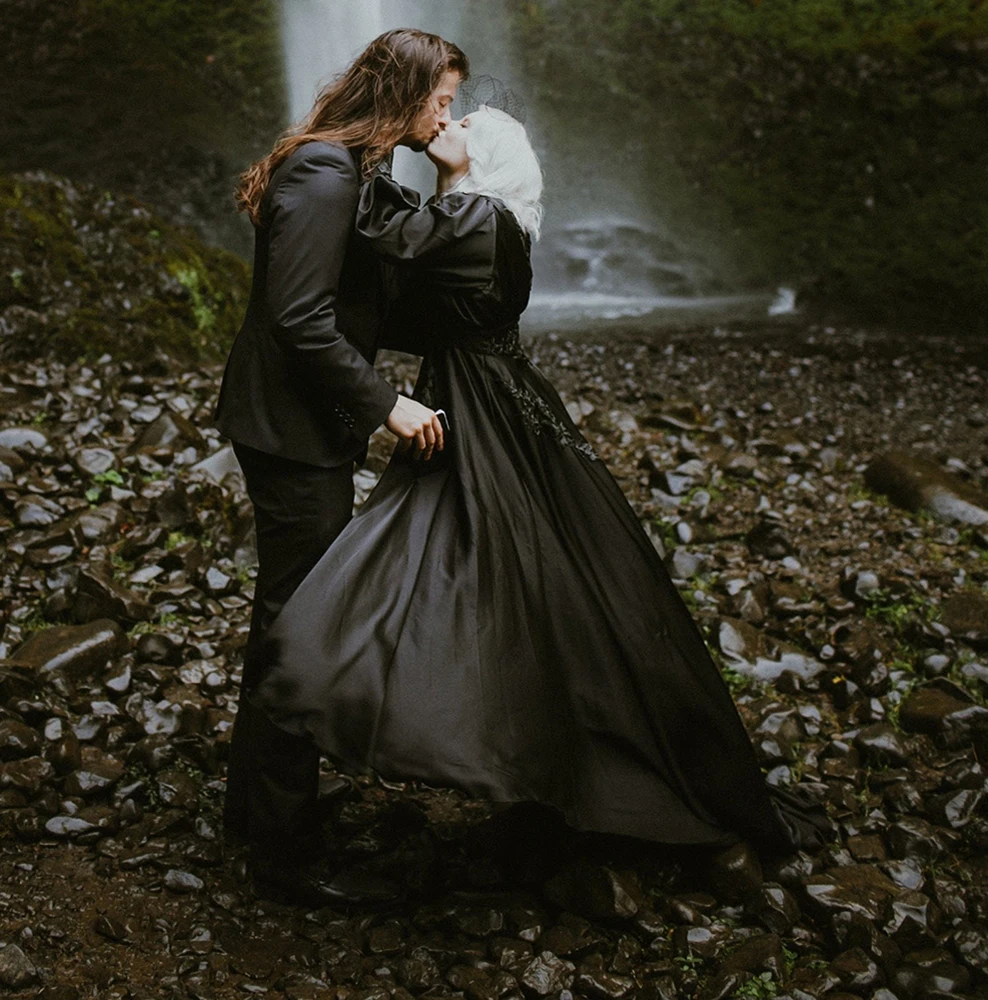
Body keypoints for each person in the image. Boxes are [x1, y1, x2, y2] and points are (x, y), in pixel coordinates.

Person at [251, 105, 832, 865]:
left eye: (465, 124)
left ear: (484, 156)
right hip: (495, 401)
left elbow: (377, 236)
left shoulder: (470, 216)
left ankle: (360, 688)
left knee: (476, 563)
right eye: (445, 112)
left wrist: (333, 149)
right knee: (524, 570)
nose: (448, 123)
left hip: (481, 410)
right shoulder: (492, 219)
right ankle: (499, 730)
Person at [214, 28, 469, 908]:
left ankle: (253, 813)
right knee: (303, 626)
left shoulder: (356, 171)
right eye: (441, 101)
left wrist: (451, 178)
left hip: (289, 423)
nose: (449, 118)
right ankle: (284, 858)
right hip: (289, 430)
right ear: (404, 93)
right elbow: (298, 317)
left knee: (285, 612)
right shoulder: (326, 175)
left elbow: (372, 297)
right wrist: (386, 406)